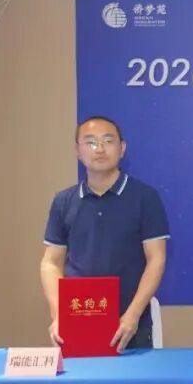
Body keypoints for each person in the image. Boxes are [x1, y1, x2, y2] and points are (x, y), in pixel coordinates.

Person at [41, 116, 170, 352]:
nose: (99, 149)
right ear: (77, 151)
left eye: (108, 141)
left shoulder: (145, 198)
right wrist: (59, 314)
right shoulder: (63, 201)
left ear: (122, 148)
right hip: (77, 322)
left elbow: (156, 260)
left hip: (130, 325)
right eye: (90, 142)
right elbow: (51, 263)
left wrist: (133, 315)